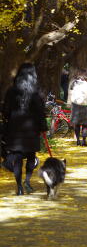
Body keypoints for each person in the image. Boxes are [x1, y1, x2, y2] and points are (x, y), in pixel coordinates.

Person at [1, 63, 48, 195]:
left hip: (15, 128)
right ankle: (27, 181)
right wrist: (43, 127)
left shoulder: (11, 91)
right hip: (31, 129)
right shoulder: (35, 92)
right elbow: (40, 112)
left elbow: (5, 111)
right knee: (31, 156)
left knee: (17, 157)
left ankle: (19, 186)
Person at [67, 69, 87, 146]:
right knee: (85, 125)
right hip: (86, 106)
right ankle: (84, 141)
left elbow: (70, 93)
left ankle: (78, 141)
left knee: (77, 124)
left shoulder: (73, 83)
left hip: (75, 105)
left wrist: (69, 104)